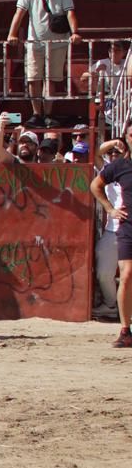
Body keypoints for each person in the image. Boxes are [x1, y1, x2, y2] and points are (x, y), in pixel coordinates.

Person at [7, 0, 80, 129]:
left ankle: (48, 113)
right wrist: (12, 34)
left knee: (52, 79)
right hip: (35, 41)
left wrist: (75, 32)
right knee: (33, 78)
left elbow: (70, 12)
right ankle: (36, 113)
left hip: (57, 41)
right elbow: (20, 13)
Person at [91, 143, 132, 347]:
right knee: (116, 274)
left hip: (123, 227)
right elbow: (95, 183)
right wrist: (109, 208)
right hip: (120, 228)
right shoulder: (117, 167)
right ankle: (119, 318)